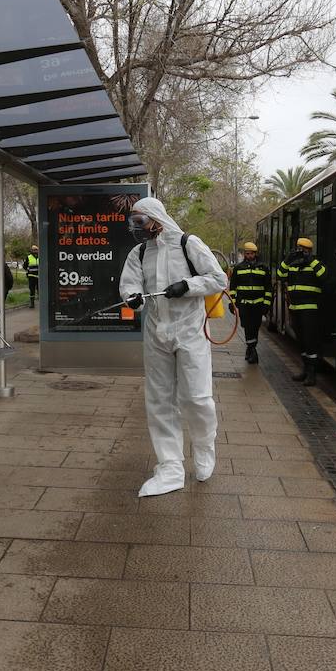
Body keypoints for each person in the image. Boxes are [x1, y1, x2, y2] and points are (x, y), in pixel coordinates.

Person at [120, 197, 228, 497]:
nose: (136, 228)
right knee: (159, 400)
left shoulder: (188, 243)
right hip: (156, 333)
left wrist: (188, 286)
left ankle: (205, 449)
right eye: (133, 222)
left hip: (191, 331)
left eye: (140, 221)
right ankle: (170, 466)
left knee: (196, 398)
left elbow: (218, 279)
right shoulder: (139, 252)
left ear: (155, 218)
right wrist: (133, 297)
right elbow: (129, 283)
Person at [278, 236, 326, 386]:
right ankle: (305, 369)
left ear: (310, 251)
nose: (301, 252)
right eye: (299, 249)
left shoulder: (315, 263)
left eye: (304, 250)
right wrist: (287, 259)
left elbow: (324, 276)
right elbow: (280, 275)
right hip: (295, 308)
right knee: (302, 342)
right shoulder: (292, 264)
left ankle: (312, 374)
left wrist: (310, 259)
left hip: (310, 310)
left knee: (310, 341)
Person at [229, 241, 270, 364]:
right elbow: (233, 287)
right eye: (247, 253)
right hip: (244, 304)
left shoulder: (263, 268)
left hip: (258, 305)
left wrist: (266, 304)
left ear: (255, 254)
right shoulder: (238, 268)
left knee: (255, 327)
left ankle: (250, 348)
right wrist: (233, 302)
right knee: (247, 327)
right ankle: (252, 351)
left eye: (251, 253)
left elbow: (268, 288)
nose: (249, 256)